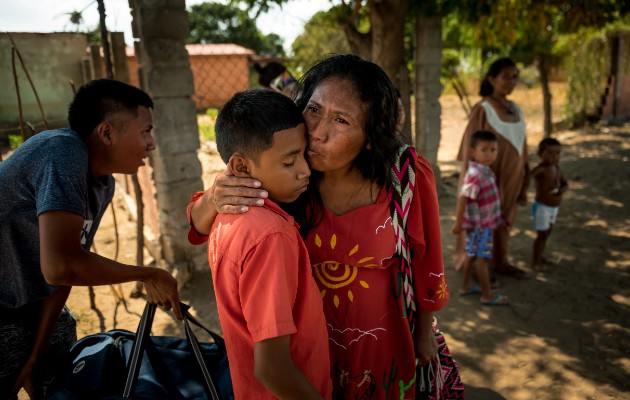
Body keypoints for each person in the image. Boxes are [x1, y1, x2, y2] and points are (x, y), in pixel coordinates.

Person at [188, 54, 450, 399]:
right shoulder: (280, 177)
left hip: (381, 343)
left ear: (371, 136)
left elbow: (426, 257)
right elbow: (198, 228)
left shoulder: (405, 175)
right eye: (313, 110)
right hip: (301, 353)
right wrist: (213, 197)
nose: (317, 133)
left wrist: (424, 332)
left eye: (341, 120)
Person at [0, 79, 182, 399]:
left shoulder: (102, 183)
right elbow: (61, 266)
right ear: (107, 132)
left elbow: (70, 268)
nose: (151, 144)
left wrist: (36, 355)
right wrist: (147, 273)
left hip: (30, 304)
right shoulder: (63, 151)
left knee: (60, 365)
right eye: (145, 131)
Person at [188, 89, 331, 399]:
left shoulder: (226, 214)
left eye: (304, 154)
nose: (305, 170)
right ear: (240, 168)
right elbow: (271, 368)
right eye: (289, 162)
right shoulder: (271, 235)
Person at [455, 57, 530, 280]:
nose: (512, 81)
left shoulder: (515, 108)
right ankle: (477, 265)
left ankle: (501, 260)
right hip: (486, 179)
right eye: (506, 76)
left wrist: (525, 177)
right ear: (491, 79)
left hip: (512, 177)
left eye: (515, 76)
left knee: (505, 217)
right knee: (481, 222)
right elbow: (470, 146)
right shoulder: (483, 109)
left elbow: (523, 145)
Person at [452, 131, 508, 305]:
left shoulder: (484, 170)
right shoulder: (476, 175)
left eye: (493, 150)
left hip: (482, 224)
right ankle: (487, 295)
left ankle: (466, 286)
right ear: (472, 152)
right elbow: (464, 197)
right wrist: (458, 223)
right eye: (484, 150)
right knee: (482, 259)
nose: (490, 154)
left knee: (471, 253)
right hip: (480, 227)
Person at [530, 138, 568, 271]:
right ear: (540, 154)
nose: (554, 156)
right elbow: (527, 178)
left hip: (554, 208)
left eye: (557, 153)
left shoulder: (556, 168)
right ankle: (535, 262)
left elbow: (565, 183)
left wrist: (562, 190)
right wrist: (521, 194)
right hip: (542, 208)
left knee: (547, 233)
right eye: (550, 153)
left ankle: (540, 257)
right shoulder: (541, 169)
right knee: (542, 234)